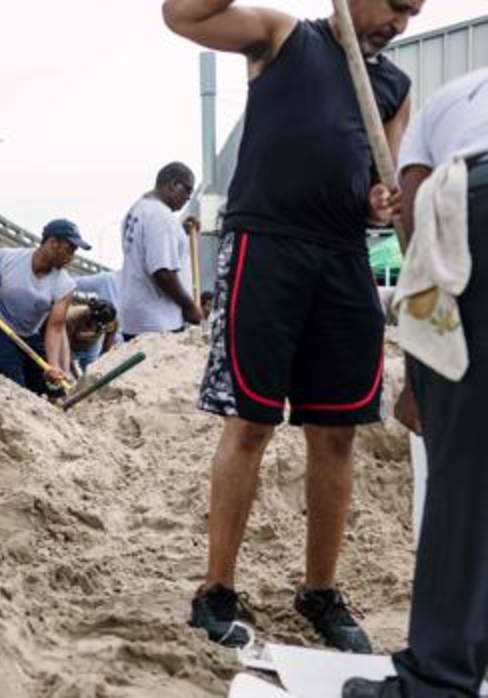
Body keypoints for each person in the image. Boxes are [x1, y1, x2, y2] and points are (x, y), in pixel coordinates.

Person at [164, 0, 417, 653]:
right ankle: (215, 590)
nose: (401, 23)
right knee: (250, 422)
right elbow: (182, 16)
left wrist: (381, 201)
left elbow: (378, 197)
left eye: (414, 13)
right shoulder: (282, 38)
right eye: (396, 5)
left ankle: (319, 591)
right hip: (265, 245)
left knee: (336, 435)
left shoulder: (393, 87)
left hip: (342, 258)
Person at [344, 68, 488, 698]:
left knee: (467, 473)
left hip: (476, 205)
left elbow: (418, 236)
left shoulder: (443, 105)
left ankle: (436, 684)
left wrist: (420, 378)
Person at [0, 219, 87, 395]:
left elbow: (55, 328)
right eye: (69, 250)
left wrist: (54, 365)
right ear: (52, 243)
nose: (72, 257)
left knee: (54, 390)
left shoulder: (65, 285)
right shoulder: (7, 258)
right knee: (12, 388)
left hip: (28, 336)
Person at [118, 162, 202, 341]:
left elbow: (149, 248)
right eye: (187, 191)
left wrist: (180, 231)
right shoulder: (161, 217)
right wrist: (189, 307)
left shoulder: (138, 209)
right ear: (173, 184)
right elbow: (163, 272)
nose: (187, 198)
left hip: (137, 320)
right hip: (160, 323)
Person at [64, 296, 119, 375]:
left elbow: (107, 345)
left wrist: (103, 361)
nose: (98, 328)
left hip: (92, 348)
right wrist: (75, 373)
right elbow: (65, 347)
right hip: (71, 347)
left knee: (90, 372)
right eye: (97, 325)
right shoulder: (72, 317)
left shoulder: (112, 320)